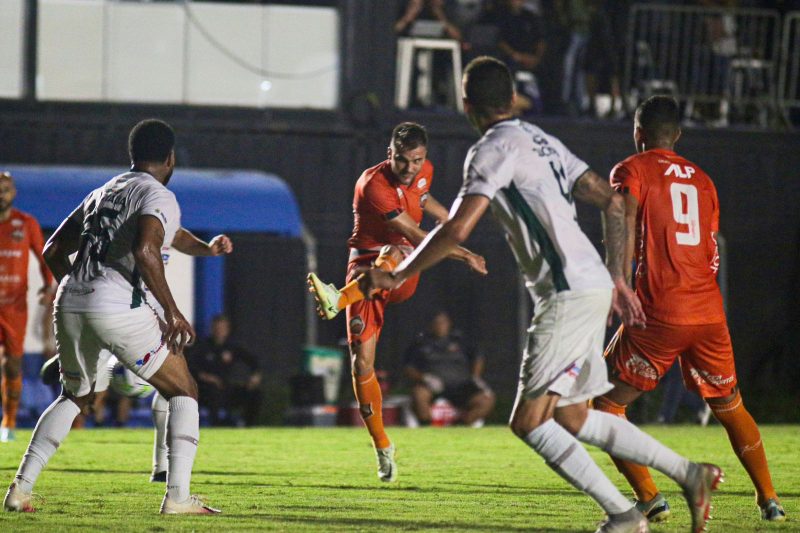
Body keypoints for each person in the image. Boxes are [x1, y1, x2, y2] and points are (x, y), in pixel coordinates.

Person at [361, 57, 723, 533]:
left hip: (566, 292)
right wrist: (616, 275)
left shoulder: (490, 150)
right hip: (591, 284)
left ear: (466, 104)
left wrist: (395, 274)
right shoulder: (544, 141)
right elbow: (614, 202)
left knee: (529, 422)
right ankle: (688, 474)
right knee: (572, 416)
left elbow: (457, 227)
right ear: (512, 100)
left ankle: (626, 515)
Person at [3, 119, 220, 514]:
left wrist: (83, 293)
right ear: (170, 159)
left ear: (132, 156)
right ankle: (178, 497)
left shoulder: (103, 191)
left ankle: (20, 489)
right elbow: (147, 250)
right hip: (118, 305)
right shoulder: (158, 194)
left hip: (69, 300)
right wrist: (173, 312)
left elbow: (53, 250)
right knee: (183, 390)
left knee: (76, 396)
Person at [594, 95, 786, 523]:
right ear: (677, 136)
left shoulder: (632, 169)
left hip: (660, 311)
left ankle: (649, 496)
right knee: (730, 406)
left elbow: (622, 217)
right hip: (707, 311)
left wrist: (618, 283)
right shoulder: (704, 180)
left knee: (603, 406)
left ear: (638, 134)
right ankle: (769, 499)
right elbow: (711, 252)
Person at [307, 122, 487, 483]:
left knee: (394, 252)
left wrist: (449, 219)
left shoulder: (424, 172)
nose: (410, 168)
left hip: (403, 272)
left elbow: (421, 202)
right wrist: (462, 251)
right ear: (390, 154)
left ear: (425, 157)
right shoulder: (372, 183)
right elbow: (417, 235)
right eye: (403, 161)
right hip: (366, 265)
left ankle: (337, 300)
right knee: (361, 364)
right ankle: (383, 448)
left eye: (417, 160)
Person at [37, 226, 233, 483]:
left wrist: (206, 248)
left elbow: (175, 234)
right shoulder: (124, 211)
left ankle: (162, 467)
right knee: (87, 397)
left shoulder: (151, 208)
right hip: (122, 313)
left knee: (173, 386)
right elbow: (56, 250)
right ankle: (172, 484)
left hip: (139, 313)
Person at [0, 172, 56, 443]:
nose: (2, 193)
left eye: (6, 189)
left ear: (14, 193)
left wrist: (48, 286)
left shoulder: (26, 223)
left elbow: (45, 258)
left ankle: (8, 420)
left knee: (11, 365)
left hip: (14, 307)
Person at [404, 310, 494, 426]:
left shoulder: (460, 340)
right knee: (419, 394)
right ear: (431, 325)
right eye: (437, 323)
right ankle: (428, 426)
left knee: (487, 399)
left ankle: (462, 425)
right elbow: (409, 367)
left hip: (461, 386)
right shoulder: (421, 343)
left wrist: (476, 377)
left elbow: (478, 357)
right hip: (433, 386)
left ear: (449, 324)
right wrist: (425, 378)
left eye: (443, 322)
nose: (440, 325)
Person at [188, 314, 263, 427]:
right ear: (212, 329)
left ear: (228, 330)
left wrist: (255, 376)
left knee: (254, 393)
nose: (220, 331)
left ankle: (247, 425)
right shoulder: (202, 347)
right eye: (217, 328)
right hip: (206, 390)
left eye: (222, 328)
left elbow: (253, 361)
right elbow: (191, 367)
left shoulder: (232, 347)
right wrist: (207, 377)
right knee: (213, 391)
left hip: (226, 388)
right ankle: (217, 426)